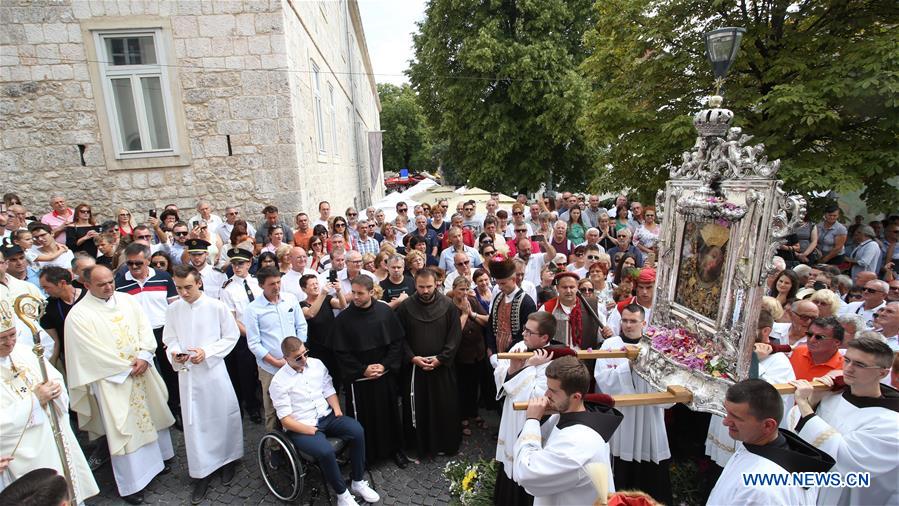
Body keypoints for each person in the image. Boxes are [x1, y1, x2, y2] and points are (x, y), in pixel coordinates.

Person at [64, 265, 175, 504]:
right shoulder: (78, 315)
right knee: (124, 427)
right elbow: (88, 352)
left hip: (141, 370)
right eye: (101, 284)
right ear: (86, 286)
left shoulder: (126, 300)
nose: (109, 287)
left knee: (151, 416)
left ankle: (161, 458)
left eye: (110, 282)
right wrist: (126, 368)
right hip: (112, 380)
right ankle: (133, 483)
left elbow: (144, 328)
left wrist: (145, 355)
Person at [0, 300, 99, 501]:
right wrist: (35, 400)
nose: (10, 343)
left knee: (66, 487)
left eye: (12, 335)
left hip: (53, 430)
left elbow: (54, 377)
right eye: (2, 339)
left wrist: (55, 389)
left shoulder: (25, 352)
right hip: (25, 448)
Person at [161, 265, 242, 503]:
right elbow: (170, 338)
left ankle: (228, 460)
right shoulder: (174, 309)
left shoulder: (217, 307)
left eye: (188, 287)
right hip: (188, 375)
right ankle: (202, 470)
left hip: (214, 372)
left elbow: (231, 336)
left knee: (221, 415)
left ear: (199, 283)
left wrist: (207, 352)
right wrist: (176, 353)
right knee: (195, 422)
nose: (183, 293)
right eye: (179, 288)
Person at [269, 337, 380, 506]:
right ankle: (342, 495)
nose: (304, 359)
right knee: (325, 451)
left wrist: (337, 410)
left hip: (327, 415)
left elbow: (328, 388)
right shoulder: (278, 382)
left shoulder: (317, 364)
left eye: (305, 353)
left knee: (357, 430)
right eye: (298, 357)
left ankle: (357, 481)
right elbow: (285, 419)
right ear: (286, 359)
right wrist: (309, 430)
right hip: (302, 426)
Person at [789, 336, 898, 505]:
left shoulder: (891, 421)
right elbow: (794, 432)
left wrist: (804, 405)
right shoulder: (833, 394)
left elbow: (846, 459)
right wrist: (814, 400)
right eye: (847, 360)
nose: (848, 368)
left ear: (882, 373)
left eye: (859, 365)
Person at [513, 356, 622, 505]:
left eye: (553, 391)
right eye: (547, 388)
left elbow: (526, 472)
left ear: (576, 397)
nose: (546, 395)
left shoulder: (578, 445)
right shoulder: (565, 415)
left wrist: (532, 420)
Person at [707, 379, 835, 505]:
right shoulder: (757, 443)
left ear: (768, 425)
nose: (725, 421)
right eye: (727, 412)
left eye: (735, 417)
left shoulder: (761, 491)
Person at [594, 304, 671, 503]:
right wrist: (627, 366)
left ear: (644, 323)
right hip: (624, 417)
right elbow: (603, 380)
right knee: (622, 466)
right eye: (625, 320)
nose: (628, 325)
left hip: (649, 416)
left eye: (633, 321)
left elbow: (668, 384)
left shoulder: (656, 348)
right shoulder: (610, 345)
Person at [331, 276, 408, 467]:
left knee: (389, 413)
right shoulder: (344, 319)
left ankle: (395, 449)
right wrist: (362, 369)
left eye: (360, 293)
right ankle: (365, 455)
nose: (355, 297)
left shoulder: (385, 312)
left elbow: (397, 342)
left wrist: (385, 365)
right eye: (353, 293)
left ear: (371, 292)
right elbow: (341, 352)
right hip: (359, 380)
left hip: (384, 375)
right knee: (362, 418)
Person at [706, 310, 796, 468]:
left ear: (766, 331)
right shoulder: (732, 352)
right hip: (727, 424)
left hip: (755, 437)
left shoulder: (779, 362)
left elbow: (765, 399)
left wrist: (754, 361)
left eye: (746, 329)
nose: (739, 334)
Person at [493, 312, 562, 506]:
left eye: (529, 332)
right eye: (524, 329)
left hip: (530, 422)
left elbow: (535, 397)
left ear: (544, 338)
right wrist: (512, 370)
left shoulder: (553, 360)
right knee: (509, 464)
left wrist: (528, 367)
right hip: (511, 416)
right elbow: (500, 373)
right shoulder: (519, 347)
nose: (523, 334)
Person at [396, 268, 463, 458]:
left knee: (444, 407)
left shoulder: (448, 306)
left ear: (437, 284)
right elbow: (399, 337)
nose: (425, 291)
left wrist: (441, 358)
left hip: (441, 368)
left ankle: (444, 444)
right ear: (415, 285)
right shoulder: (406, 307)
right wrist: (412, 357)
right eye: (421, 287)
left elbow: (454, 336)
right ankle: (419, 446)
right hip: (416, 369)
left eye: (429, 287)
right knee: (419, 408)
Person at [115, 242, 181, 422]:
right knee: (149, 376)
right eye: (130, 263)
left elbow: (174, 306)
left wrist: (174, 334)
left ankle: (175, 408)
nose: (134, 267)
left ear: (148, 260)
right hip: (139, 337)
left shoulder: (163, 277)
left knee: (171, 373)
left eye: (139, 263)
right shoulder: (119, 284)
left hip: (163, 332)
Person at [242, 267, 307, 436]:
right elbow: (254, 343)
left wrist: (300, 353)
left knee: (299, 402)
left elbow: (301, 326)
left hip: (297, 362)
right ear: (262, 285)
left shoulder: (291, 300)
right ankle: (274, 448)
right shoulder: (253, 309)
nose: (276, 287)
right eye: (272, 284)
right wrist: (276, 362)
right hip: (271, 368)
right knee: (272, 408)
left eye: (278, 282)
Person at [219, 247, 263, 424]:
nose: (237, 267)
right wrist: (251, 334)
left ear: (249, 264)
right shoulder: (228, 288)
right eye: (234, 264)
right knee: (246, 374)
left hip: (263, 333)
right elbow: (231, 318)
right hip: (243, 337)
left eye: (241, 263)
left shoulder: (257, 282)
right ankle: (251, 406)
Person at [538, 272, 608, 361]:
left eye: (572, 287)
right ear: (557, 288)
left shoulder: (592, 306)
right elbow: (539, 335)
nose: (568, 291)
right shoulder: (547, 308)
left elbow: (601, 335)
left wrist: (605, 333)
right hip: (556, 362)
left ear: (577, 288)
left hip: (585, 362)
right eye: (564, 287)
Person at [487, 258, 537, 357]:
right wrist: (491, 349)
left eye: (503, 283)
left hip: (516, 353)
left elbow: (525, 333)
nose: (500, 287)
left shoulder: (527, 303)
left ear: (513, 280)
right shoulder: (498, 297)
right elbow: (491, 324)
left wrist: (506, 354)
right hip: (496, 352)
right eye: (498, 283)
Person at [607, 267, 655, 337]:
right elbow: (612, 337)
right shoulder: (622, 307)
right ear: (635, 287)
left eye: (649, 287)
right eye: (641, 287)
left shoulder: (663, 309)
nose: (644, 292)